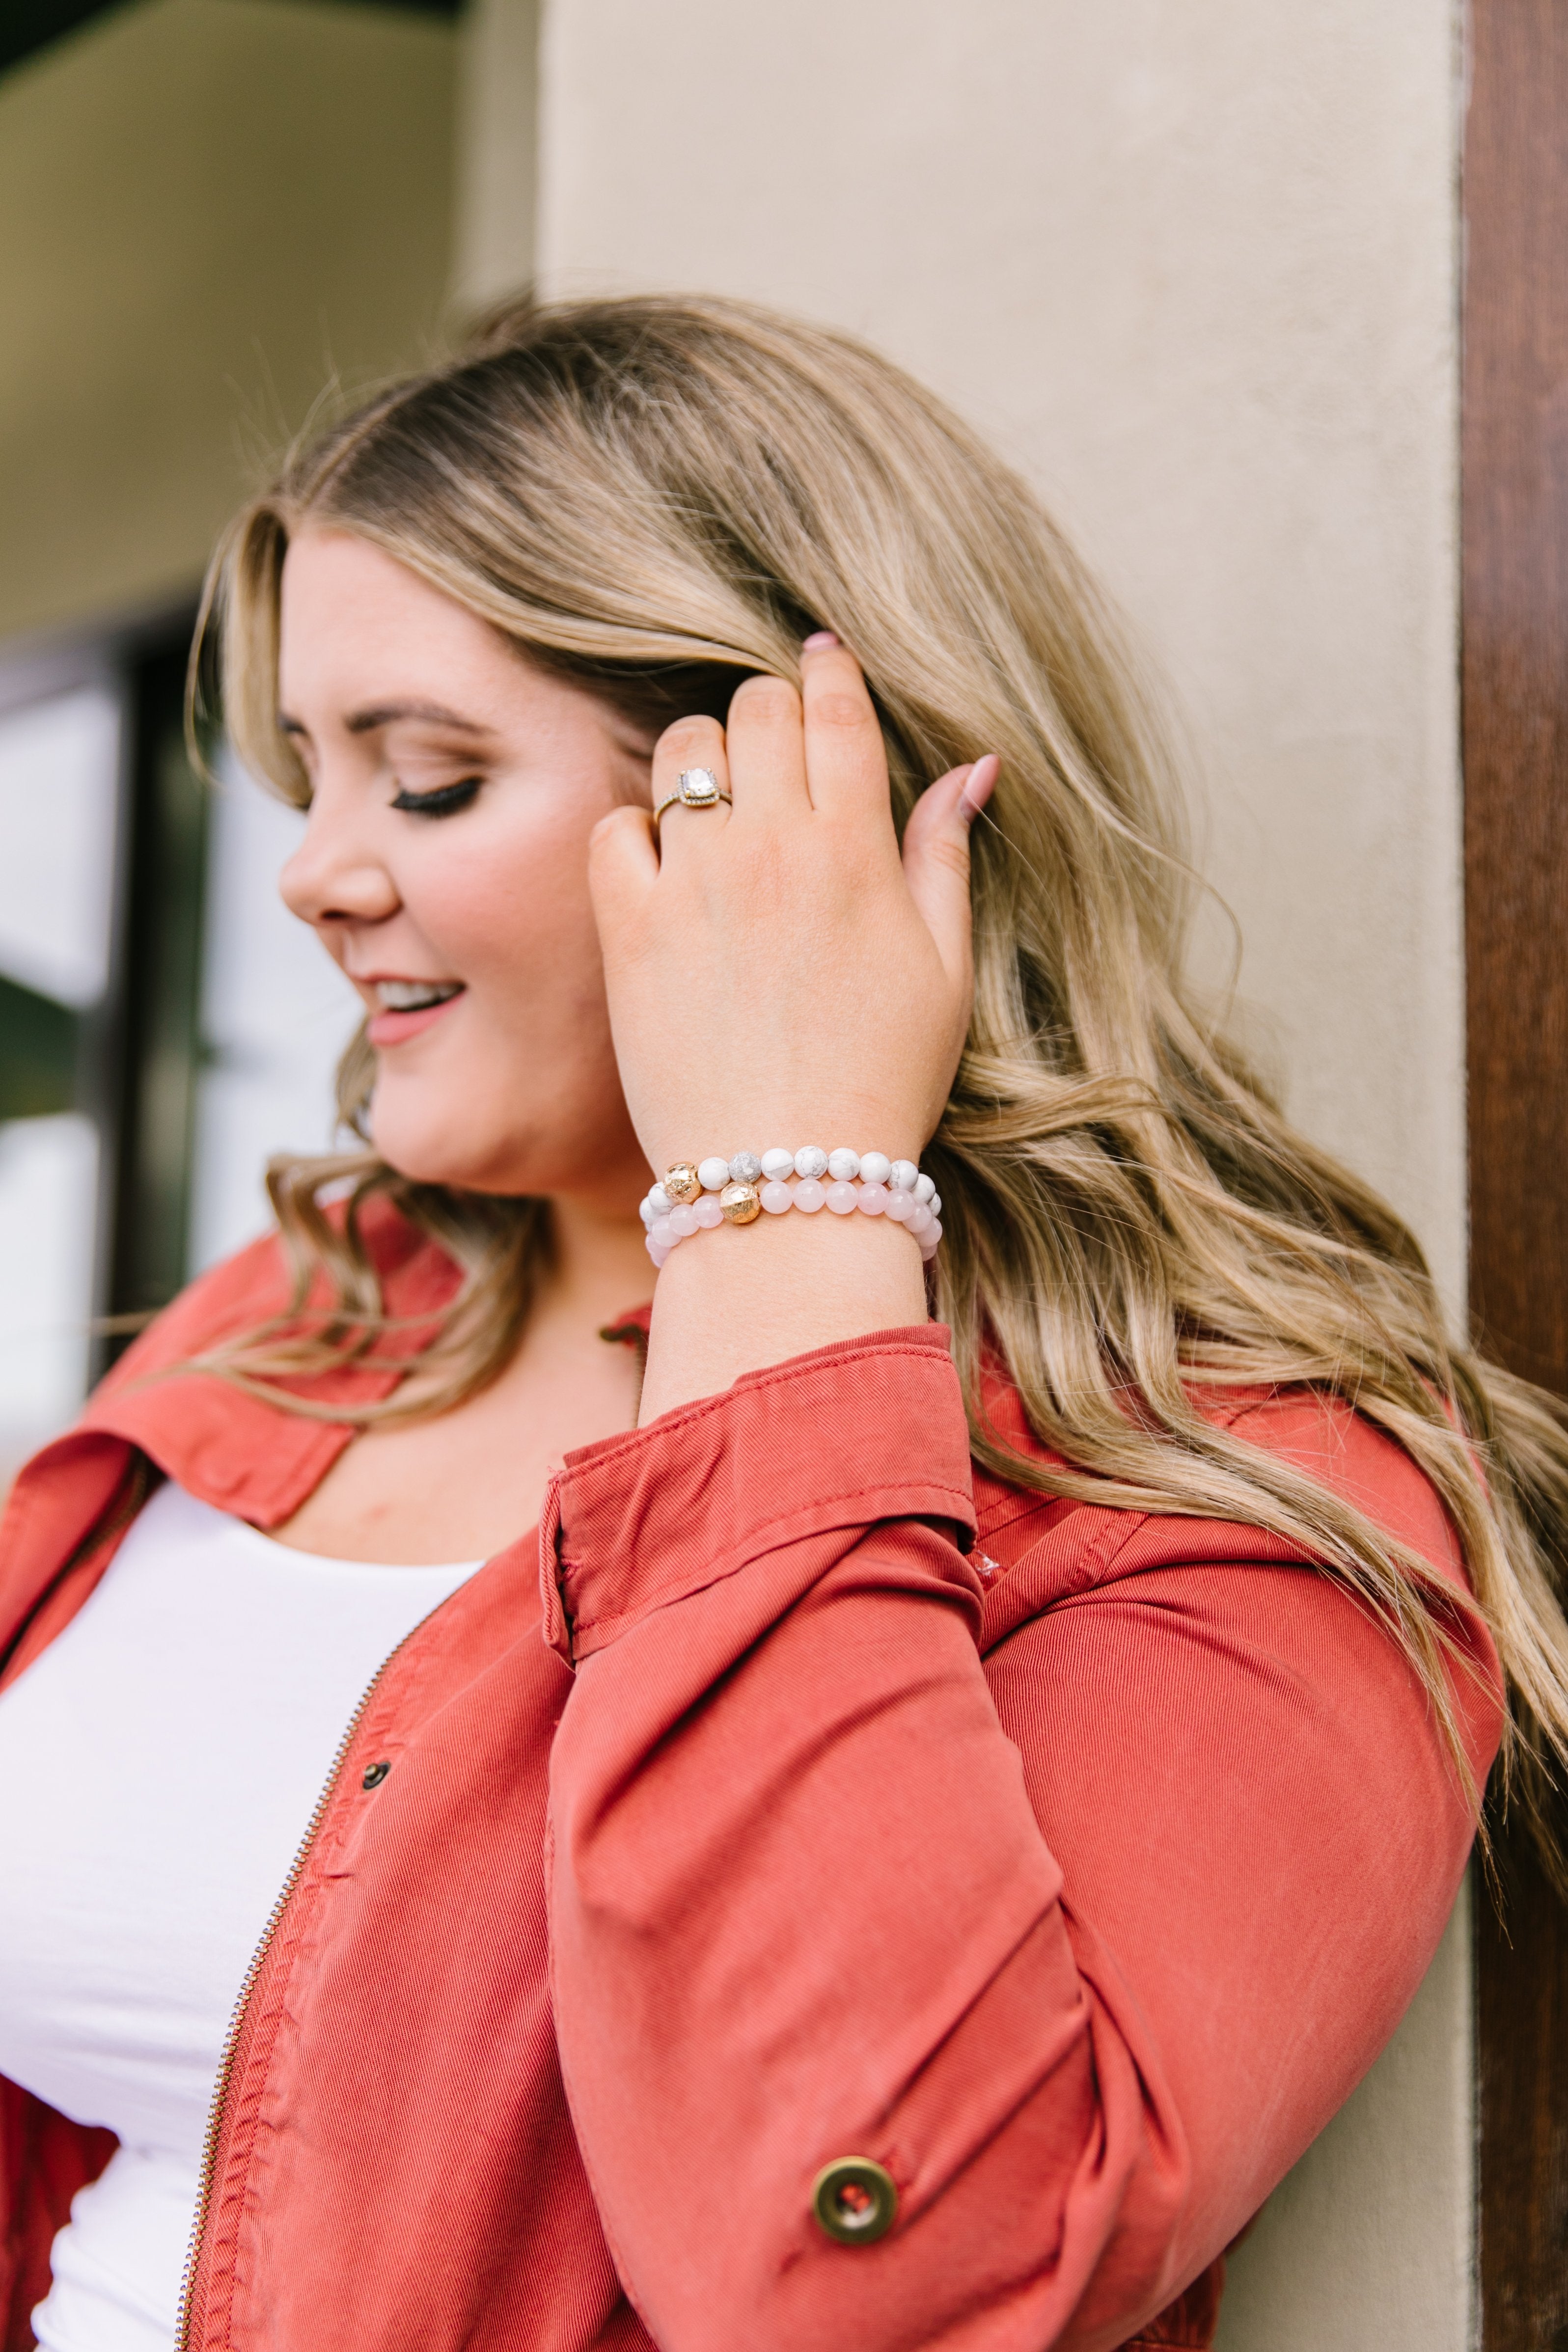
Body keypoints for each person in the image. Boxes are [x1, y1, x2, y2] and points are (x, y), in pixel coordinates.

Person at [1, 294, 1565, 2352]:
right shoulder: (298, 1322)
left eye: (432, 782)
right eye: (310, 774)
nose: (311, 874)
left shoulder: (1236, 1478)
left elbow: (895, 2275)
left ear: (775, 813)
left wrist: (787, 1214)